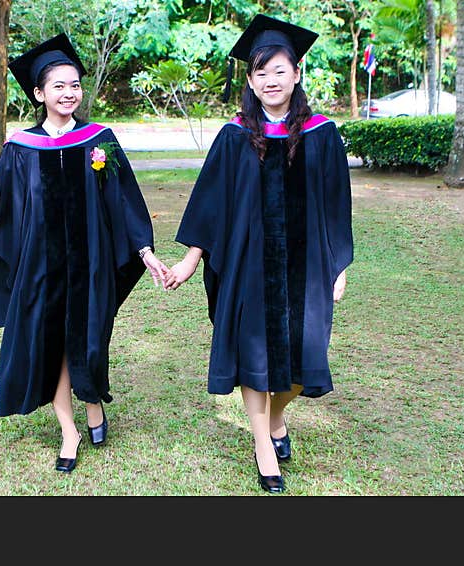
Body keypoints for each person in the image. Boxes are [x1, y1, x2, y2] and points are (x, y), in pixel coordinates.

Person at [0, 34, 171, 472]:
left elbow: (123, 199)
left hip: (91, 262)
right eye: (58, 86)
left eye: (75, 85)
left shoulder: (99, 140)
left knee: (87, 338)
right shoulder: (21, 148)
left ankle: (93, 401)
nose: (68, 94)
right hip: (42, 266)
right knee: (49, 344)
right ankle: (68, 430)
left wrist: (143, 249)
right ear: (39, 93)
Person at [167, 14, 353, 493]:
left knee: (302, 358)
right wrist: (190, 260)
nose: (271, 80)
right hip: (250, 266)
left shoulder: (321, 133)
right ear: (250, 80)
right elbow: (211, 203)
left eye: (280, 70)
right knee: (253, 355)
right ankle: (263, 444)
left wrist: (339, 265)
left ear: (296, 74)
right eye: (261, 72)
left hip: (306, 267)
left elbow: (336, 204)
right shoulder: (234, 137)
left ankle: (275, 417)